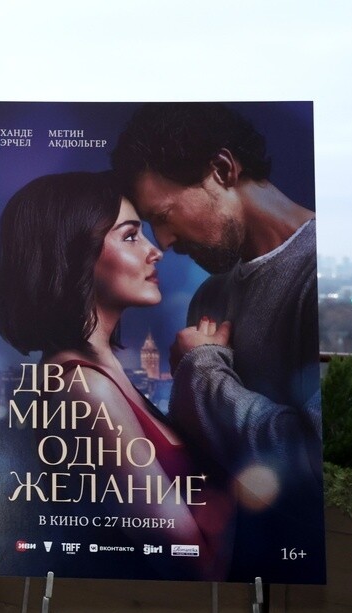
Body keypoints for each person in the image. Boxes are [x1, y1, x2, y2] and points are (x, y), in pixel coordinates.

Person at [111, 102, 324, 582]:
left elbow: (314, 465)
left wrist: (204, 369)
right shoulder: (209, 296)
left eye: (164, 215)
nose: (164, 242)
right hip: (226, 572)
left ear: (223, 169)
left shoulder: (326, 276)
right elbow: (206, 464)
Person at [0, 170, 231, 580]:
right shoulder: (86, 389)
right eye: (131, 236)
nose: (155, 251)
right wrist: (208, 372)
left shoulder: (101, 372)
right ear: (75, 254)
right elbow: (198, 566)